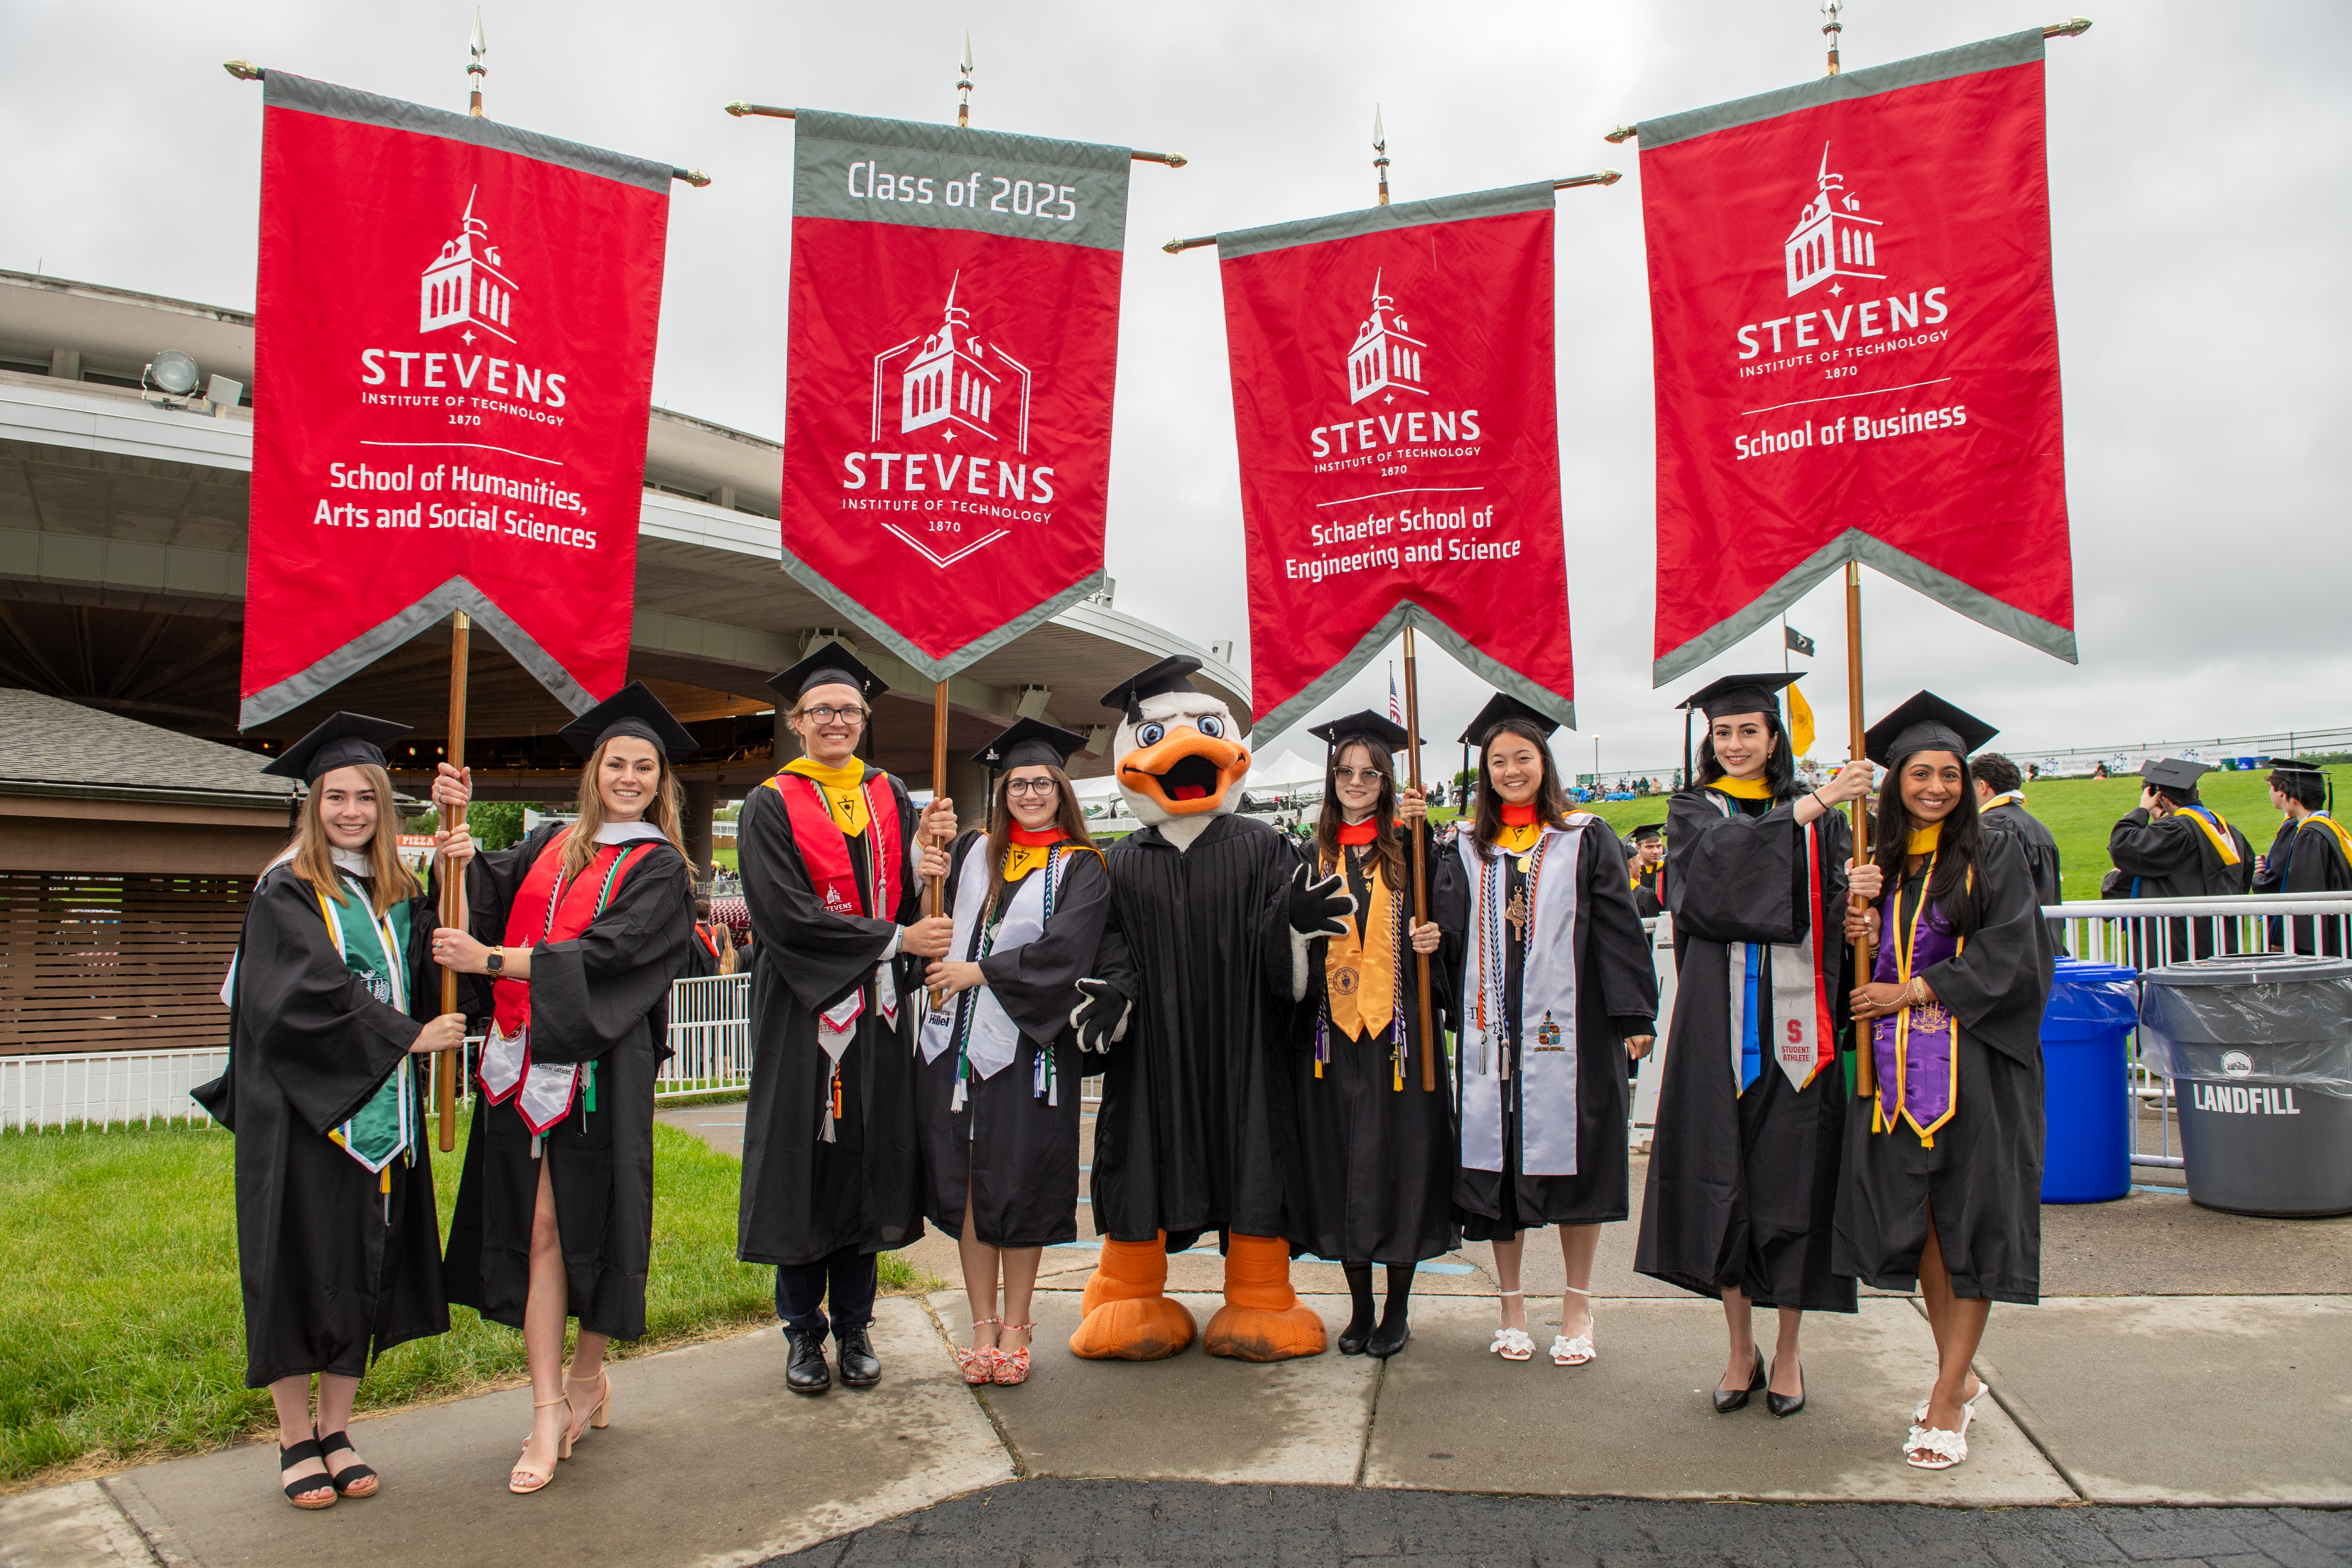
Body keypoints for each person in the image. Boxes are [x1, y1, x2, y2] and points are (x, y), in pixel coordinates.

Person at [427, 683, 700, 1494]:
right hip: (520, 1063)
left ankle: (586, 1378)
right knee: (538, 1222)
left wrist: (490, 961)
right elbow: (482, 897)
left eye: (642, 766)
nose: (627, 776)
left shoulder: (660, 867)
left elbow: (615, 956)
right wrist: (457, 832)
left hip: (602, 1070)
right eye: (615, 762)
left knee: (595, 1221)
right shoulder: (549, 843)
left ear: (659, 781)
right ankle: (547, 1406)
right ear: (593, 771)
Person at [197, 713, 467, 1509]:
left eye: (367, 798)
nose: (351, 811)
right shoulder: (287, 888)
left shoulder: (398, 893)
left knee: (363, 1266)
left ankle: (339, 1428)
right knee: (296, 1265)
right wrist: (408, 1037)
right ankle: (292, 1436)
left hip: (382, 1118)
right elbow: (301, 997)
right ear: (312, 804)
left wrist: (459, 876)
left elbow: (436, 967)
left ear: (385, 808)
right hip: (303, 1118)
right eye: (336, 796)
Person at [1634, 673, 1871, 1417]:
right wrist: (1812, 805)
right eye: (1723, 733)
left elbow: (1828, 906)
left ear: (1774, 738)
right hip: (1716, 1031)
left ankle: (1791, 1350)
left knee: (1791, 1187)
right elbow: (1710, 885)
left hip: (1798, 1035)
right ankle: (1740, 1347)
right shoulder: (1691, 811)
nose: (1735, 745)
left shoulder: (1824, 817)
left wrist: (1856, 907)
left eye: (1749, 731)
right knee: (1721, 1186)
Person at [1835, 692, 2054, 1471]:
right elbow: (1862, 974)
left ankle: (1944, 1395)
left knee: (1971, 1228)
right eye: (1919, 773)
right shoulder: (1880, 861)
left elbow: (2012, 954)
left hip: (1976, 1071)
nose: (1935, 787)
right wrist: (1854, 926)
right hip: (1897, 1078)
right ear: (1893, 781)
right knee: (1928, 1223)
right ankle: (1954, 1379)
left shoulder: (1992, 850)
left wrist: (1911, 991)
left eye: (1949, 774)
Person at [735, 645, 956, 1395]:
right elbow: (782, 915)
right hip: (803, 1007)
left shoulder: (891, 793)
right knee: (806, 1163)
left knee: (866, 1159)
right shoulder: (769, 802)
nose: (836, 721)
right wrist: (895, 939)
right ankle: (803, 1332)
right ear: (796, 723)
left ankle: (856, 1323)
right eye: (821, 711)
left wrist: (933, 872)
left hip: (880, 1012)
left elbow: (900, 906)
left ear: (865, 720)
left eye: (849, 711)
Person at [1434, 693, 1657, 1369]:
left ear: (1544, 763)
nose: (1510, 770)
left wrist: (1634, 1015)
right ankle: (1511, 1307)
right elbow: (1447, 932)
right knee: (1496, 1165)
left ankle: (1578, 1306)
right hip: (1490, 1031)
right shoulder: (1467, 849)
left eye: (1521, 758)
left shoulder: (1584, 838)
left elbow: (1619, 926)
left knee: (1577, 1162)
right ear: (1485, 775)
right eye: (1498, 761)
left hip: (1573, 1029)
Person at [917, 719, 1113, 1387]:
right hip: (958, 1048)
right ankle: (980, 1323)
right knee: (973, 1185)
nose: (1029, 794)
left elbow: (1067, 953)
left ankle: (1018, 1325)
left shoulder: (1083, 868)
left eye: (1042, 784)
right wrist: (927, 862)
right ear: (1002, 794)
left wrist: (980, 971)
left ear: (1062, 792)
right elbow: (937, 926)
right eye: (1017, 784)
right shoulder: (973, 852)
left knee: (1020, 1184)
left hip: (1033, 1052)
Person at [1292, 710, 1457, 1359]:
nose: (1356, 781)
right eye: (1345, 772)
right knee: (1344, 1168)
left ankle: (1397, 1311)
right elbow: (1283, 950)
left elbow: (1452, 926)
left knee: (1403, 1165)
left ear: (1387, 781)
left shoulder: (1417, 850)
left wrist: (1435, 938)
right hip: (1330, 1041)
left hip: (1401, 1040)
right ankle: (1358, 1309)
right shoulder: (1309, 855)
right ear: (1331, 780)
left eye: (1369, 772)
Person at [2107, 757, 2254, 960]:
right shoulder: (2227, 829)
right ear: (2197, 793)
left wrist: (2141, 811)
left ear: (2162, 800)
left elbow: (2122, 846)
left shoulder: (2176, 829)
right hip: (2218, 932)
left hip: (2179, 938)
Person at [2251, 759, 2352, 955]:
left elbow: (2301, 890)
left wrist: (2282, 939)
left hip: (2310, 942)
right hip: (2334, 928)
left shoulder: (2309, 834)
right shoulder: (2327, 827)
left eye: (2271, 788)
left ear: (2283, 792)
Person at [1972, 753, 2065, 952]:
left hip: (2015, 945)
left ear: (1982, 786)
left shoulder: (1994, 825)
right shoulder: (2036, 825)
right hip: (2044, 941)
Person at [688, 892, 738, 976]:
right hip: (713, 981)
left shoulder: (691, 935)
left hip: (695, 981)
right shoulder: (718, 934)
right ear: (708, 916)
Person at [1627, 823, 1667, 917]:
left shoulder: (1668, 870)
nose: (1656, 852)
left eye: (1659, 846)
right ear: (1638, 848)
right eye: (1649, 847)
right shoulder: (1633, 874)